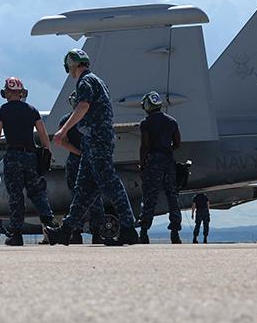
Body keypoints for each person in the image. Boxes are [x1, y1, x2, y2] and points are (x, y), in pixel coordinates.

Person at [47, 49, 140, 245]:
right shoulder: (97, 80)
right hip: (93, 139)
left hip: (97, 139)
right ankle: (66, 230)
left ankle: (129, 229)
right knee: (84, 189)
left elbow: (83, 106)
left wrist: (63, 130)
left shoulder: (85, 81)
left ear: (71, 65)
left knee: (109, 183)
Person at [0, 77, 57, 246]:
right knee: (38, 193)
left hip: (13, 156)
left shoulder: (1, 111)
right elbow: (42, 133)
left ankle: (16, 235)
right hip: (31, 156)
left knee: (16, 196)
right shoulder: (32, 110)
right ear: (21, 92)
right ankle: (52, 228)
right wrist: (48, 152)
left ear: (6, 92)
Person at [137, 91, 183, 244]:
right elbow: (177, 143)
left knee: (150, 197)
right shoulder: (172, 121)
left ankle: (144, 232)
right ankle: (175, 232)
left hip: (153, 162)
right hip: (168, 161)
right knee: (172, 195)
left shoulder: (146, 123)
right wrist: (167, 151)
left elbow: (145, 146)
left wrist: (142, 164)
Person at [59, 106, 105, 244]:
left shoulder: (66, 120)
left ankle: (76, 232)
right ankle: (96, 232)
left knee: (76, 197)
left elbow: (62, 141)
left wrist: (78, 153)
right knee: (94, 196)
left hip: (75, 160)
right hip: (90, 159)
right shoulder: (94, 118)